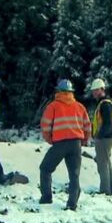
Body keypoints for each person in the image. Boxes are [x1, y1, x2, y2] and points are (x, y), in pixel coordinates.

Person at [39, 79, 91, 211]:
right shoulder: (80, 107)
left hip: (60, 143)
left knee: (45, 168)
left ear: (58, 92)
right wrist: (84, 140)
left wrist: (49, 139)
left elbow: (45, 125)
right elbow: (87, 126)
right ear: (71, 92)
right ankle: (72, 203)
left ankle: (46, 197)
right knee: (74, 175)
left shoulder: (53, 106)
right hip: (76, 143)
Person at [90, 78, 112, 196]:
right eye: (93, 91)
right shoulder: (105, 103)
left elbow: (107, 123)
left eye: (96, 90)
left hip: (105, 138)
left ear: (102, 89)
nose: (94, 93)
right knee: (106, 163)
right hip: (108, 137)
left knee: (102, 165)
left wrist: (99, 135)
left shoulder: (105, 104)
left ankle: (105, 191)